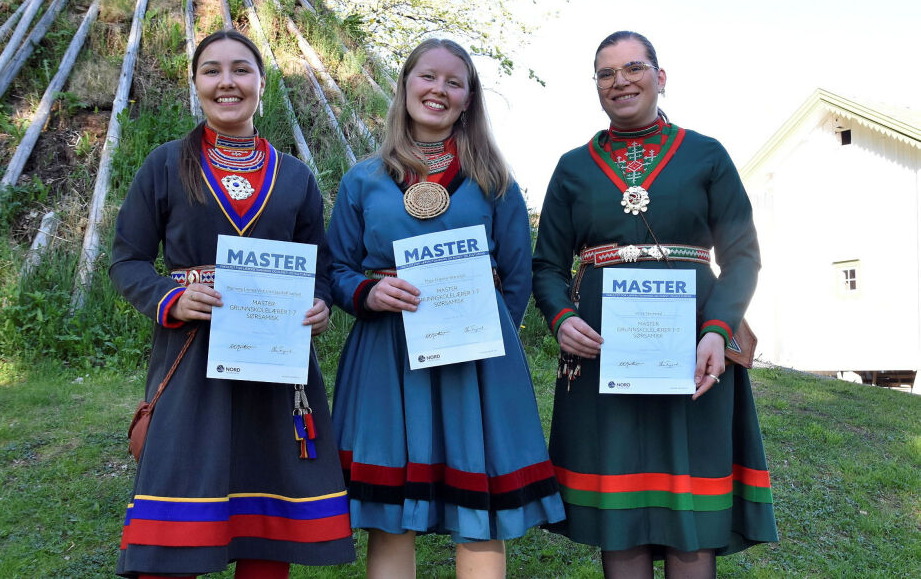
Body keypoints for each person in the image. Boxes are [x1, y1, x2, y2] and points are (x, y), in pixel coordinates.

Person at [532, 31, 778, 578]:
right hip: (603, 357)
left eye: (633, 68)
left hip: (695, 352)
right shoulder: (574, 167)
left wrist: (718, 330)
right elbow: (546, 266)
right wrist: (561, 318)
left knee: (689, 506)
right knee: (621, 512)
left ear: (661, 77)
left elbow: (741, 255)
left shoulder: (706, 154)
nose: (620, 81)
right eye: (605, 73)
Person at [110, 30, 354, 578]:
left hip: (277, 366)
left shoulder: (294, 176)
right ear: (195, 84)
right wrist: (171, 298)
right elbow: (126, 261)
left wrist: (319, 303)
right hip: (192, 355)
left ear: (261, 85)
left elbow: (319, 268)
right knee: (173, 529)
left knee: (268, 526)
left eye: (241, 70)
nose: (227, 82)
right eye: (212, 70)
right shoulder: (166, 165)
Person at [326, 38, 565, 578]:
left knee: (479, 508)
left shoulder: (493, 179)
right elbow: (335, 270)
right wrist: (368, 293)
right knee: (391, 513)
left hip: (474, 360)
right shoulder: (362, 179)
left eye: (453, 82)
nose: (438, 89)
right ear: (406, 84)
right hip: (388, 353)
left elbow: (517, 274)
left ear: (467, 99)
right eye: (427, 77)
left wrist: (480, 330)